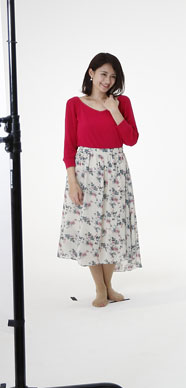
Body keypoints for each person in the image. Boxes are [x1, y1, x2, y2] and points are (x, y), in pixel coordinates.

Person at [58, 52, 141, 307]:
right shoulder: (74, 104)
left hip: (116, 172)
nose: (108, 80)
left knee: (113, 229)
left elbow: (131, 139)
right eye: (103, 74)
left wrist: (114, 111)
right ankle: (100, 288)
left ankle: (109, 286)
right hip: (87, 172)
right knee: (91, 229)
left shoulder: (121, 103)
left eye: (113, 76)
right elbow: (69, 147)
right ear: (91, 73)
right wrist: (73, 181)